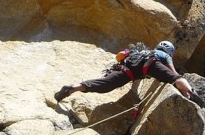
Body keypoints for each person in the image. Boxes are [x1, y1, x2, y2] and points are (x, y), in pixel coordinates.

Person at [54, 40, 196, 101]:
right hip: (149, 64)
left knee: (105, 84)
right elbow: (172, 72)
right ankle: (190, 94)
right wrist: (176, 76)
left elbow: (119, 57)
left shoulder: (139, 51)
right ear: (169, 52)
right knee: (175, 78)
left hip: (125, 70)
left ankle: (73, 88)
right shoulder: (163, 55)